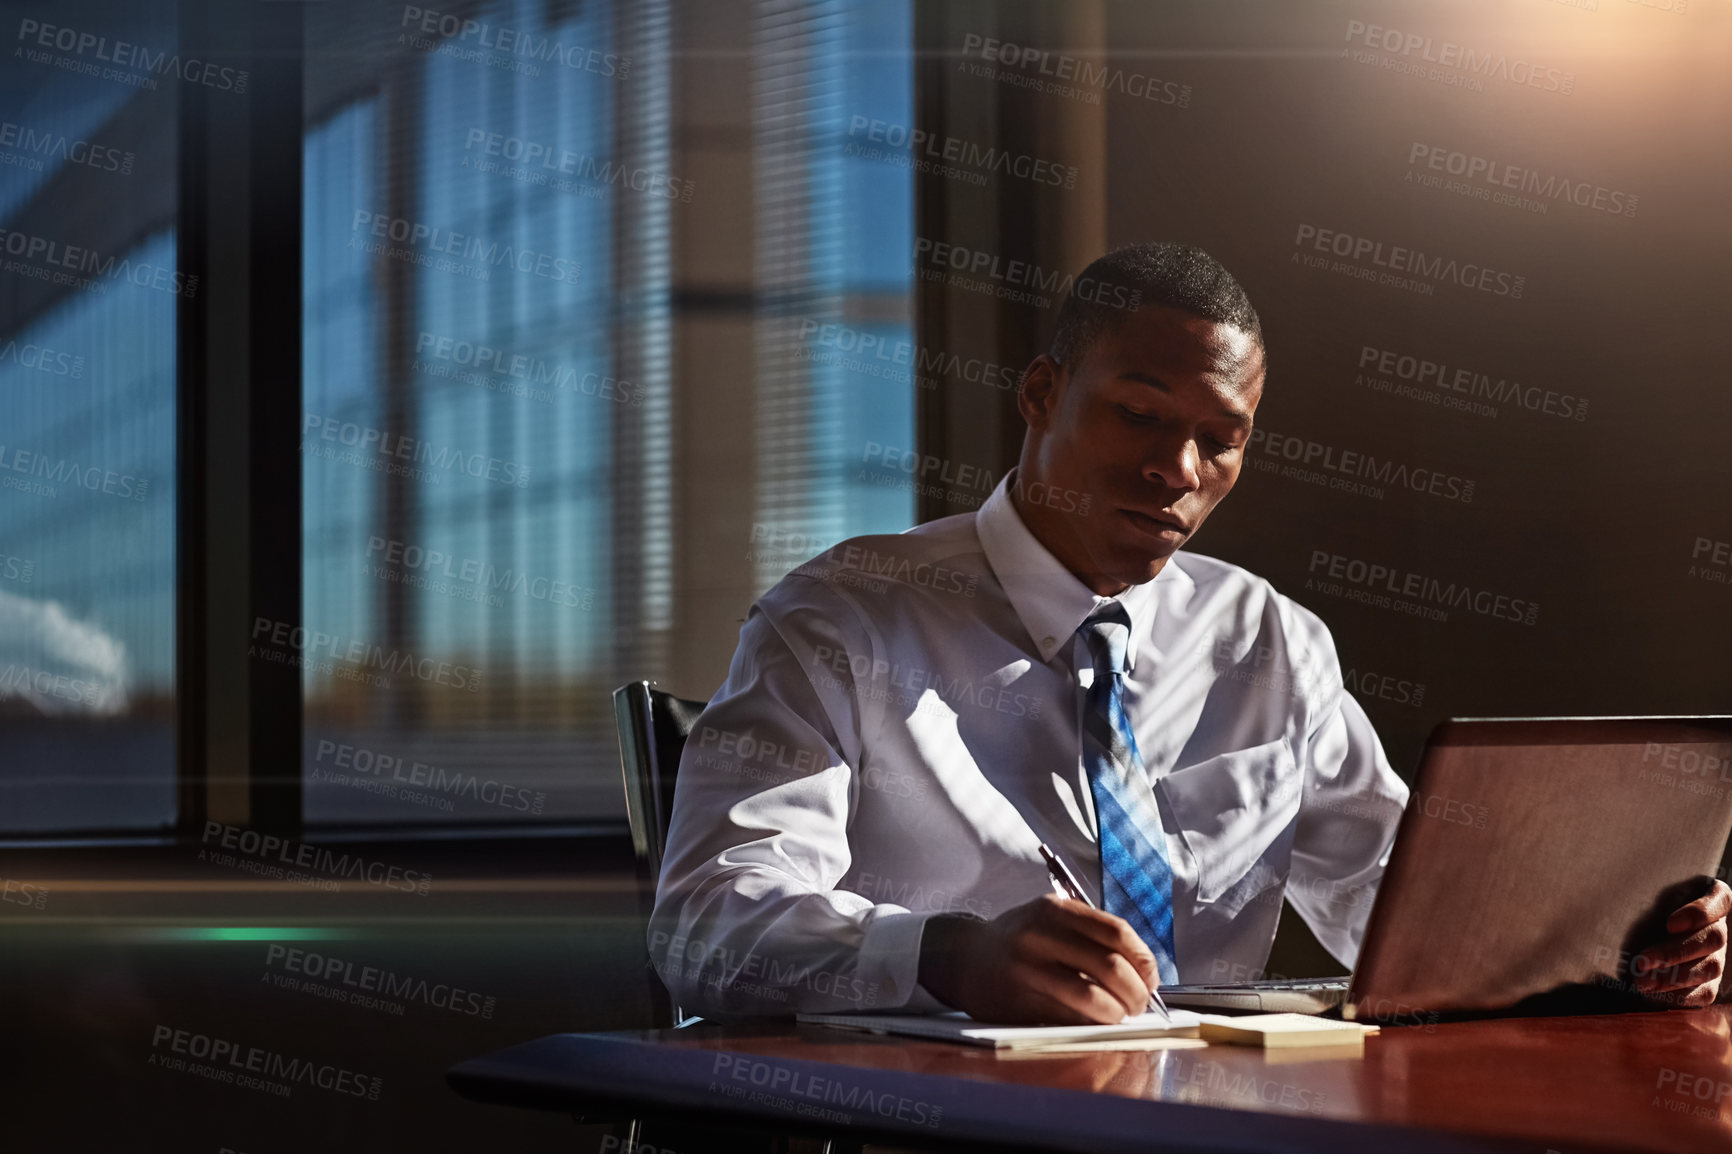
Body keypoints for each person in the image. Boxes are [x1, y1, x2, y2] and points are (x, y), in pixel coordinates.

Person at [649, 243, 1729, 1023]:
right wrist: (941, 953)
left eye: (1221, 438)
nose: (1176, 472)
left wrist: (1609, 949)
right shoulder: (840, 616)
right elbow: (703, 923)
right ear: (1041, 392)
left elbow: (1405, 916)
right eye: (1140, 413)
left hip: (1217, 1114)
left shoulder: (1265, 636)